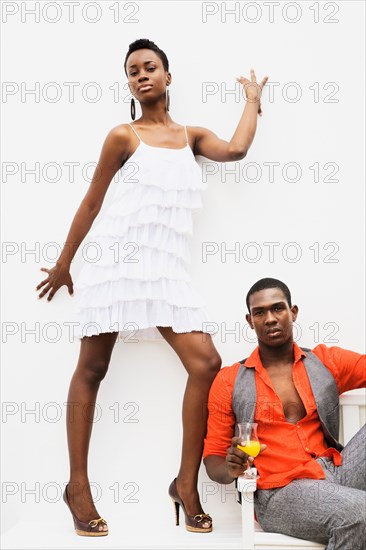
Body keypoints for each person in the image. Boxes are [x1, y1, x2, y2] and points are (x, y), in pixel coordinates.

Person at [35, 38, 268, 536]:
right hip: (118, 262)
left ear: (168, 76)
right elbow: (92, 201)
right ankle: (77, 486)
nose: (141, 75)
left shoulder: (191, 136)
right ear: (130, 84)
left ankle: (186, 484)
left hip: (165, 270)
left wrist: (251, 99)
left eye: (150, 67)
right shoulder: (123, 135)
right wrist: (64, 263)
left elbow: (237, 148)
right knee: (93, 368)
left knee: (205, 362)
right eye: (132, 71)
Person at [203, 277, 366, 549]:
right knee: (359, 512)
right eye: (260, 312)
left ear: (293, 312)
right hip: (280, 493)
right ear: (250, 320)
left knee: (357, 509)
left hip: (334, 471)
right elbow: (213, 461)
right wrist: (231, 467)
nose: (270, 318)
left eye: (278, 308)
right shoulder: (229, 380)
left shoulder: (326, 361)